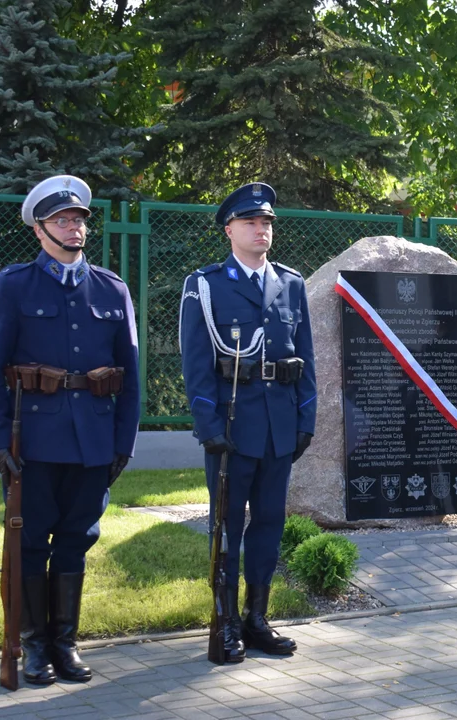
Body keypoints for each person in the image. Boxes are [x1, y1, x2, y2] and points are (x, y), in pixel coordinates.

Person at [0, 175, 140, 684]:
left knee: (75, 540)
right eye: (62, 221)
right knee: (29, 545)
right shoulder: (14, 285)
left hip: (93, 441)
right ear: (39, 230)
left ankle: (65, 644)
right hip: (34, 442)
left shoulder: (112, 289)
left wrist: (123, 444)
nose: (74, 228)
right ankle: (33, 647)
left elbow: (131, 376)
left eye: (78, 220)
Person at [179, 182, 316, 662]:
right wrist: (207, 424)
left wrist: (306, 418)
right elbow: (196, 362)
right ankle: (226, 621)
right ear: (229, 229)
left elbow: (306, 359)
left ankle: (259, 620)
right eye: (251, 222)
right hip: (232, 428)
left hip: (279, 425)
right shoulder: (207, 285)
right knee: (228, 525)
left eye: (267, 223)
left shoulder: (291, 284)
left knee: (270, 524)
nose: (262, 230)